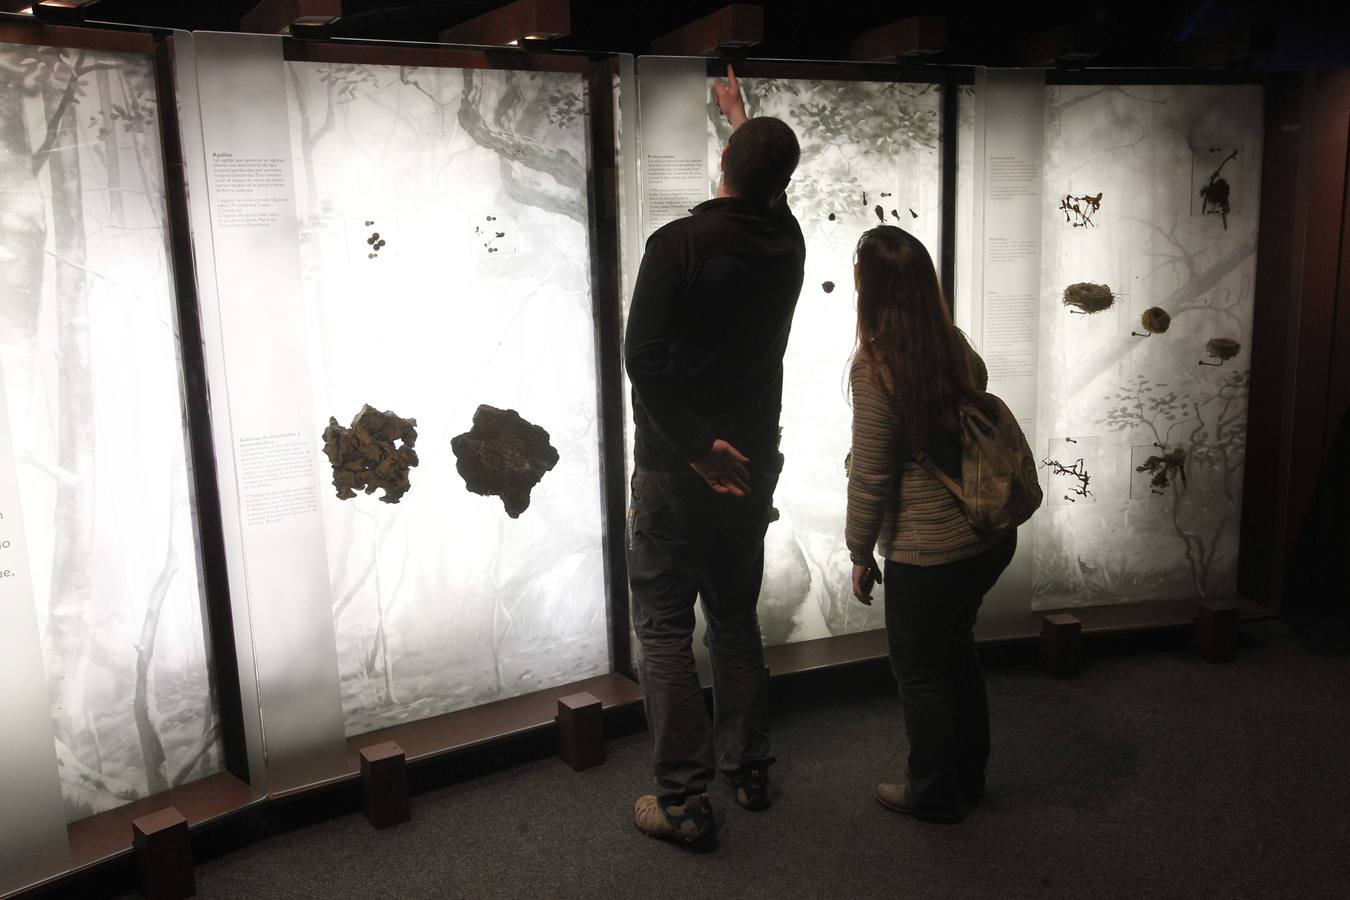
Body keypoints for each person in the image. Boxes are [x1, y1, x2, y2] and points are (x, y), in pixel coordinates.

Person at [624, 66, 803, 847]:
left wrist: (695, 449)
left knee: (664, 628)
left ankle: (684, 800)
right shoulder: (786, 239)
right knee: (733, 621)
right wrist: (742, 116)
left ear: (725, 166)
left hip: (676, 470)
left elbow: (644, 361)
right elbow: (765, 179)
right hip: (752, 465)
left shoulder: (678, 244)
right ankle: (750, 766)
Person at [845, 225, 1017, 823]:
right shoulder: (955, 344)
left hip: (930, 550)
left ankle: (934, 792)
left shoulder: (876, 366)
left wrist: (859, 552)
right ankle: (970, 773)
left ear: (870, 288)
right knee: (954, 649)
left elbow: (870, 473)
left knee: (918, 670)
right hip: (989, 538)